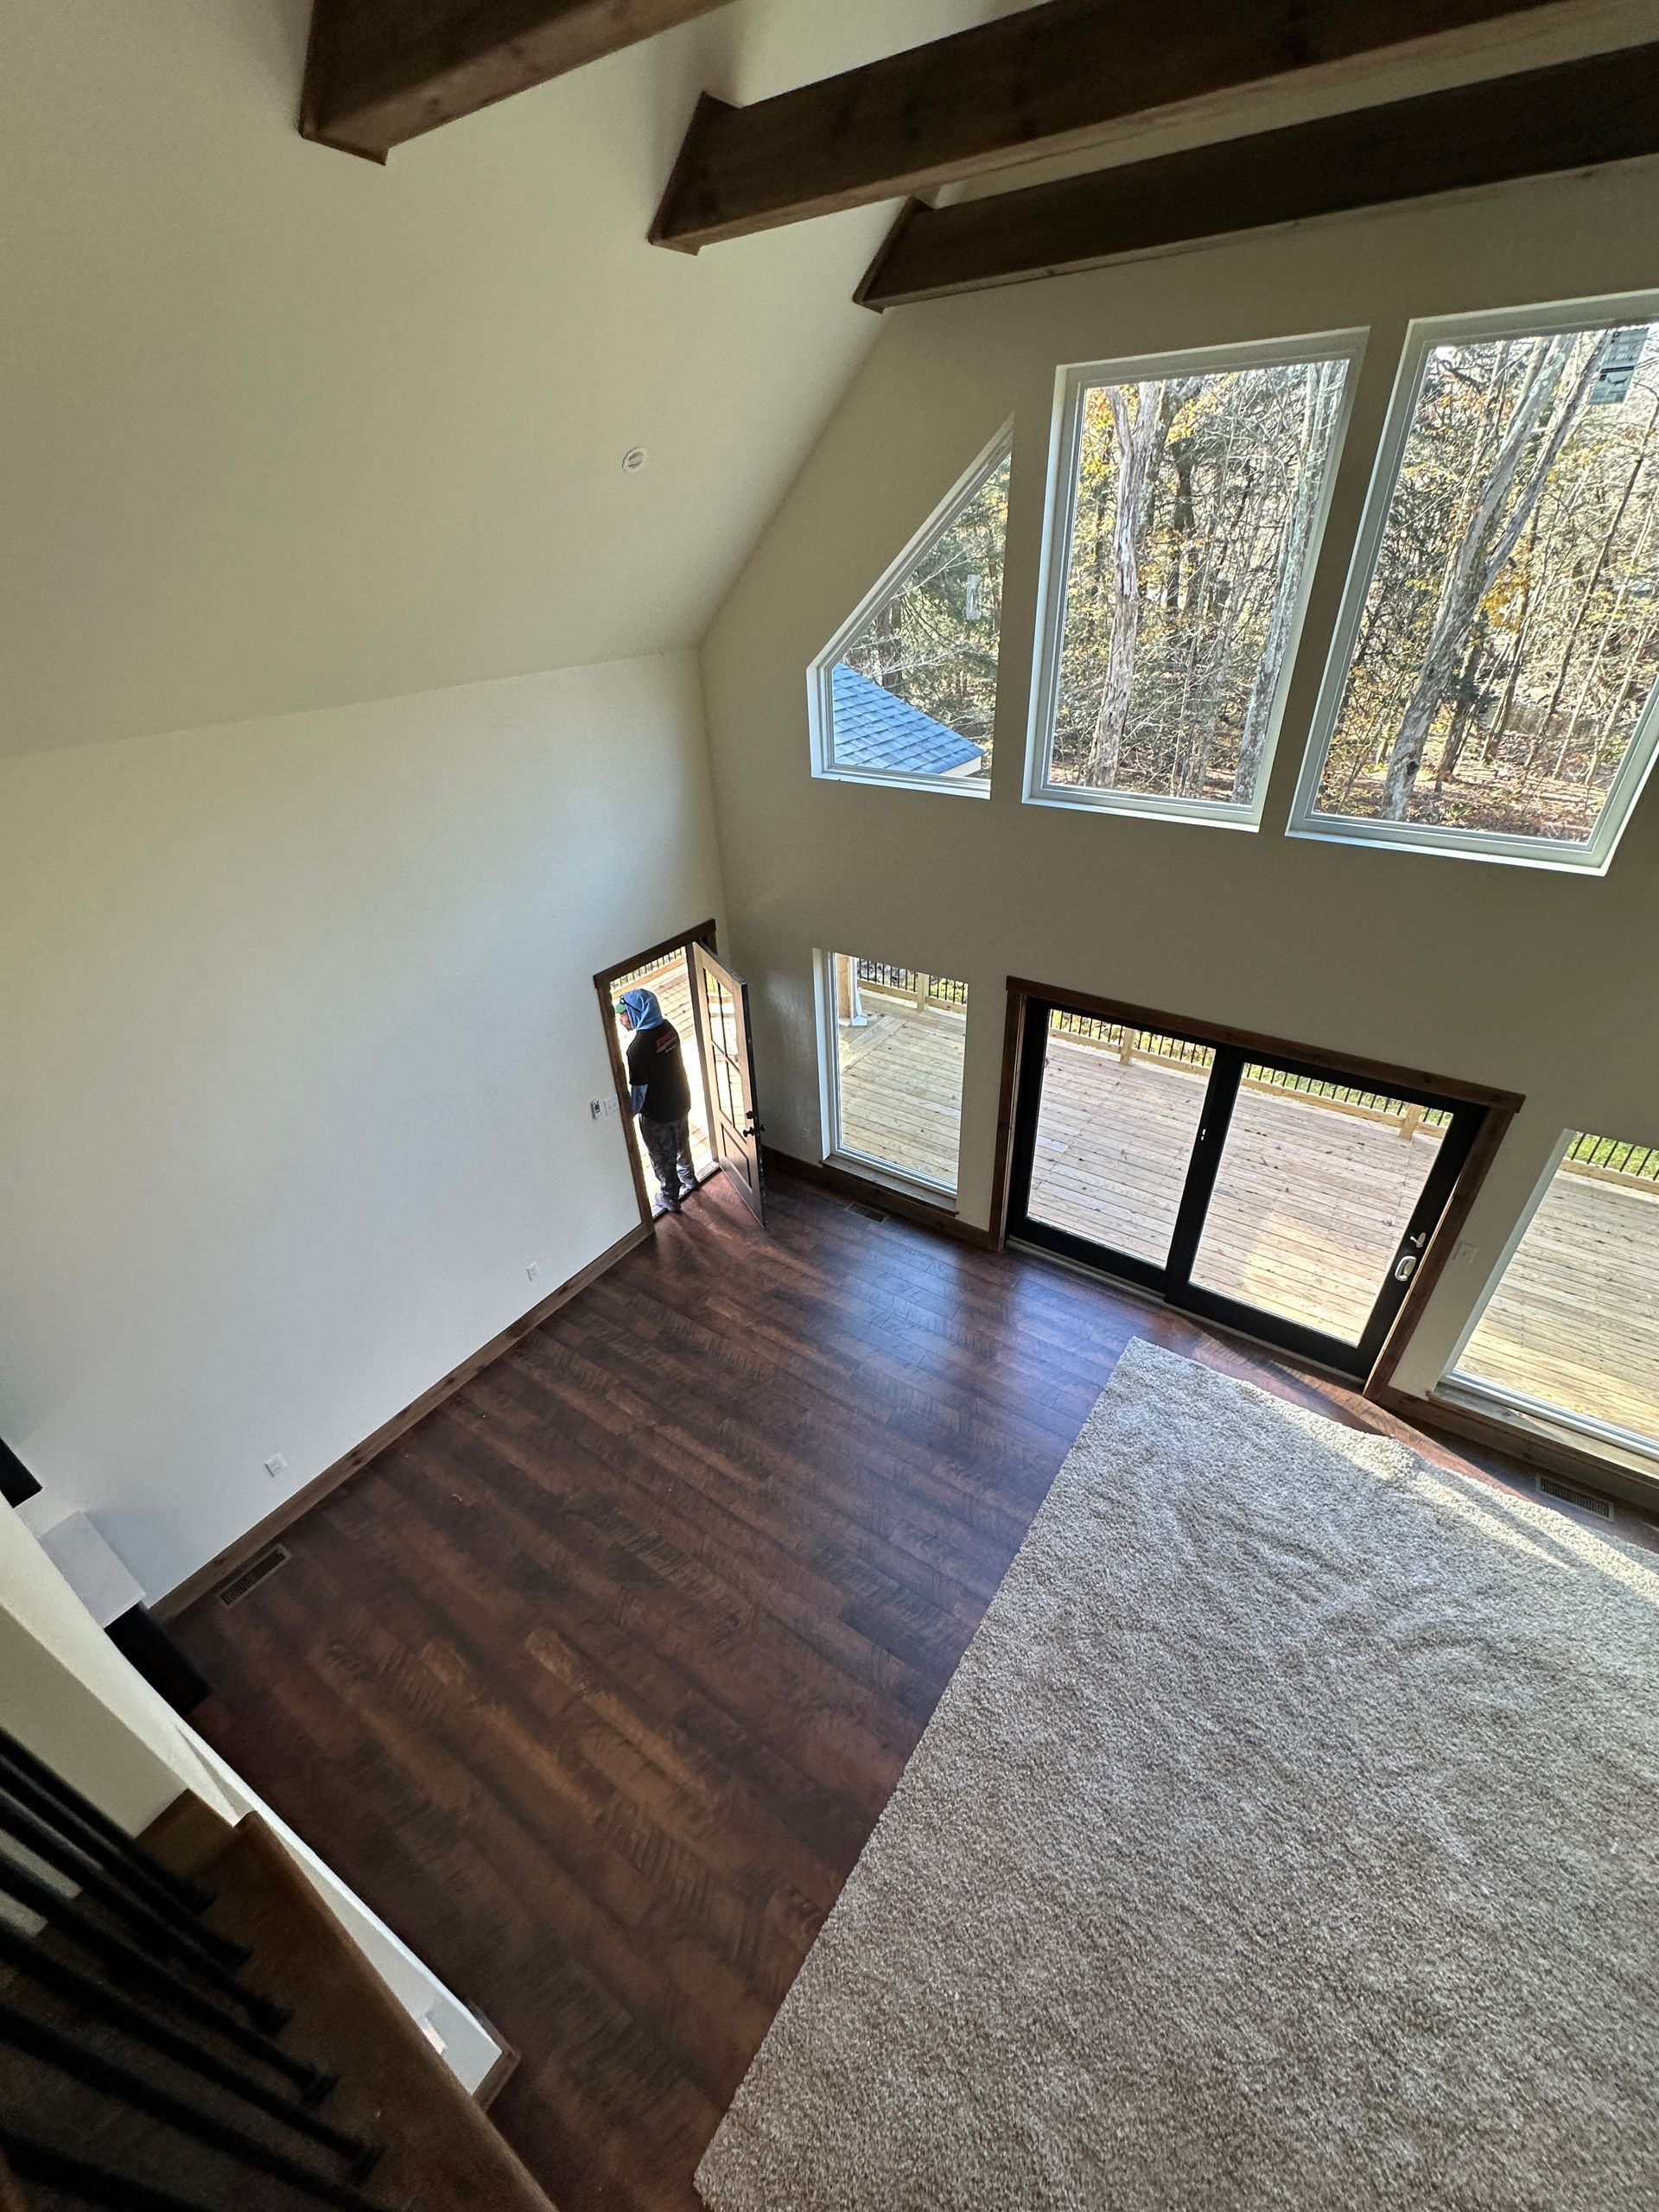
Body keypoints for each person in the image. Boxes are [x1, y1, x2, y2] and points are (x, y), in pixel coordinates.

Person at [616, 987, 697, 1215]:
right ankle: (689, 1178)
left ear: (636, 1012)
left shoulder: (637, 1049)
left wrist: (629, 1114)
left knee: (662, 1157)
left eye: (623, 1013)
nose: (621, 1019)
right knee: (682, 1143)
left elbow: (639, 1091)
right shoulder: (668, 1029)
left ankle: (670, 1197)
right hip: (681, 1099)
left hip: (658, 1113)